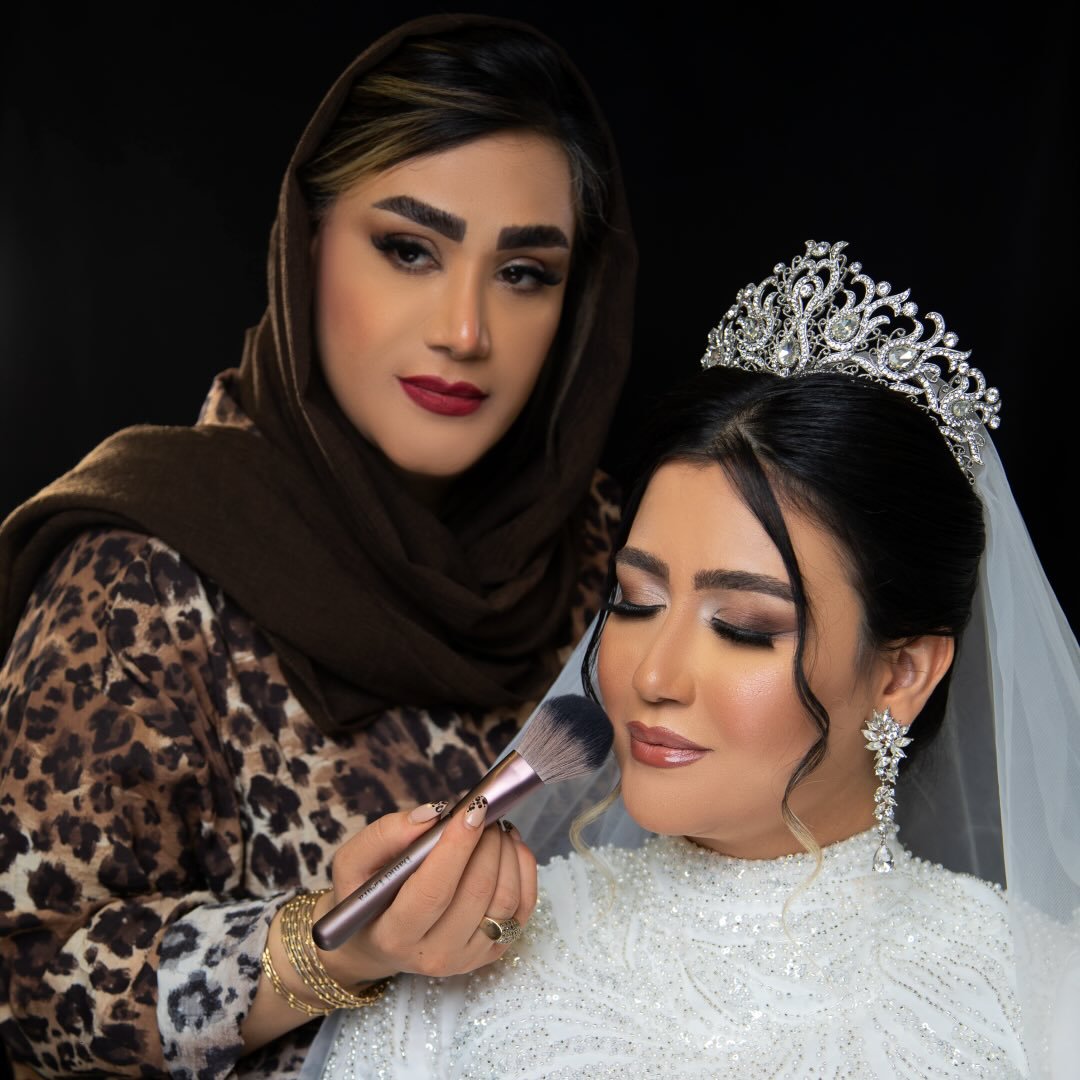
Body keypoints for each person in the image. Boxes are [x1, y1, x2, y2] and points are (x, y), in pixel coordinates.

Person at [0, 14, 636, 1077]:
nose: (465, 330)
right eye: (409, 250)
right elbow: (26, 983)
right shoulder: (144, 572)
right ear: (306, 246)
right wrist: (333, 945)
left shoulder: (620, 556)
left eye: (525, 271)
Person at [304, 240, 1080, 1078]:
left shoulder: (1042, 992)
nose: (651, 676)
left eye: (742, 627)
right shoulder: (473, 947)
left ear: (901, 675)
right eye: (636, 603)